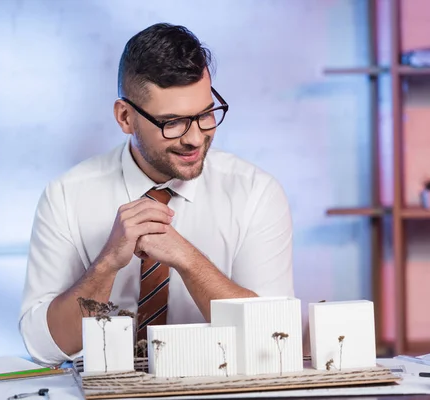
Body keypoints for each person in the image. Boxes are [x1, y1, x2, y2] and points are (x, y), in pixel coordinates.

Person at [18, 22, 294, 366]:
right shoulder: (65, 196)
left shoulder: (255, 193)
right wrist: (106, 264)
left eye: (206, 114)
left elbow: (276, 340)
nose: (195, 138)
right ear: (125, 117)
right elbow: (44, 349)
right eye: (172, 122)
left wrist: (189, 261)